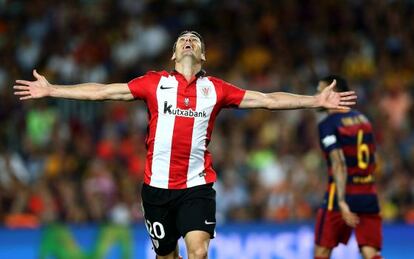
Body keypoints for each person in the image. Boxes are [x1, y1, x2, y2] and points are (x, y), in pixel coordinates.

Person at [14, 31, 356, 259]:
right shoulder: (154, 83)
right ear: (174, 54)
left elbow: (267, 99)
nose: (188, 41)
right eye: (182, 40)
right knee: (167, 255)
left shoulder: (217, 89)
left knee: (199, 252)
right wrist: (54, 89)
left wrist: (315, 100)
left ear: (203, 55)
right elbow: (104, 91)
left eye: (194, 39)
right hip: (156, 189)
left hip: (197, 186)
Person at [313, 75, 383, 259]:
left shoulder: (328, 125)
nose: (316, 95)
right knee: (370, 251)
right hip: (367, 192)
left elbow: (339, 162)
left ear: (333, 93)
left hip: (340, 194)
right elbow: (374, 158)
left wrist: (342, 201)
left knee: (322, 250)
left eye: (320, 91)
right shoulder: (363, 119)